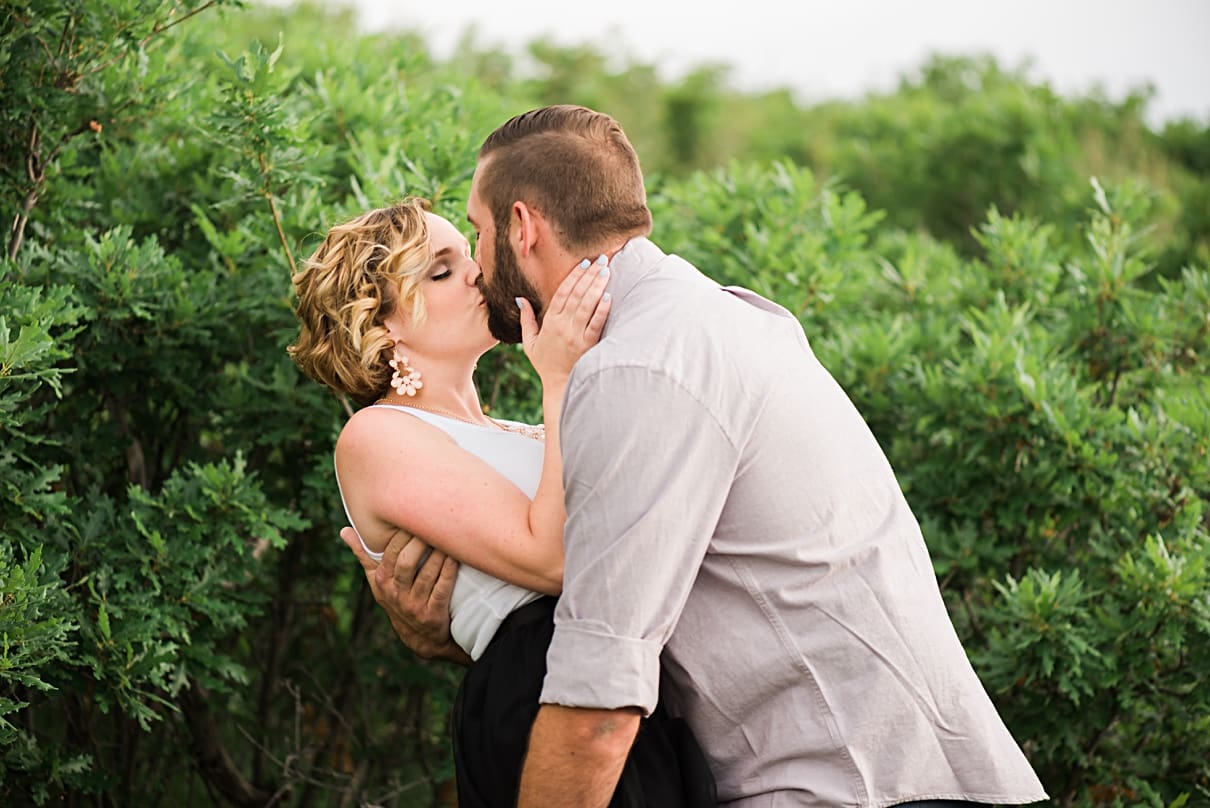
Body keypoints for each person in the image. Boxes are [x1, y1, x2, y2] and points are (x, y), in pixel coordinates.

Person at [361, 105, 1051, 808]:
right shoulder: (730, 318)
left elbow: (599, 698)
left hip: (851, 787)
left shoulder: (639, 370)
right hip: (924, 774)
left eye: (475, 233)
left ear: (522, 227)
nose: (479, 268)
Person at [288, 198, 716, 807]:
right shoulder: (377, 436)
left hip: (624, 686)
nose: (475, 271)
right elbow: (558, 560)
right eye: (440, 270)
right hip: (541, 699)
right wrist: (563, 378)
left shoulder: (524, 432)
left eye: (468, 252)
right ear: (383, 327)